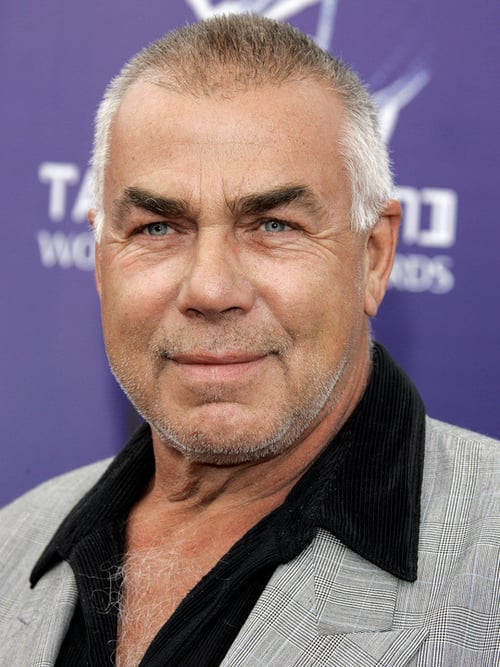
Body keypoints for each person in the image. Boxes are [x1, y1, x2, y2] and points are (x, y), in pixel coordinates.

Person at [0, 13, 498, 667]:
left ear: (374, 257)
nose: (210, 288)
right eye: (157, 228)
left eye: (273, 224)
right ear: (101, 261)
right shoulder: (13, 541)